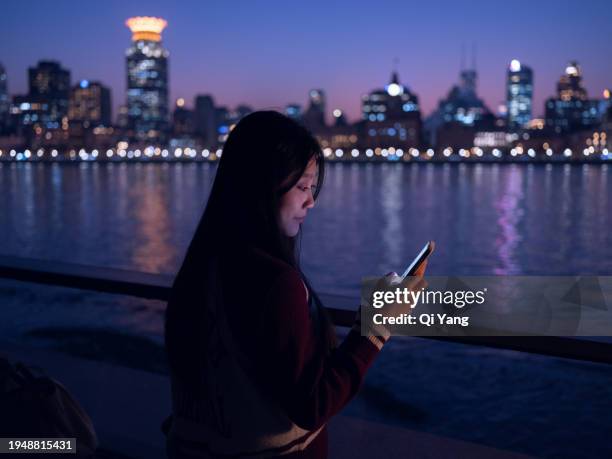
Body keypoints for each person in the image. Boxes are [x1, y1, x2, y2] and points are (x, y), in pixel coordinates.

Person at [164, 111, 427, 458]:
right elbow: (311, 405)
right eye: (303, 186)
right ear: (262, 186)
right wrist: (376, 324)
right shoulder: (275, 283)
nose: (311, 201)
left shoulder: (204, 264)